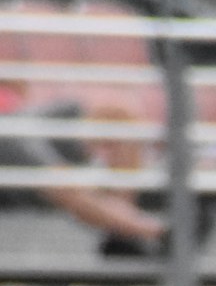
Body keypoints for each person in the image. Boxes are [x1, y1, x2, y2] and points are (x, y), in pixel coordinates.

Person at [0, 79, 167, 251]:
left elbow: (20, 87)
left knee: (119, 114)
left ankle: (121, 226)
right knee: (62, 182)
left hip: (28, 118)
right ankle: (152, 231)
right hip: (9, 135)